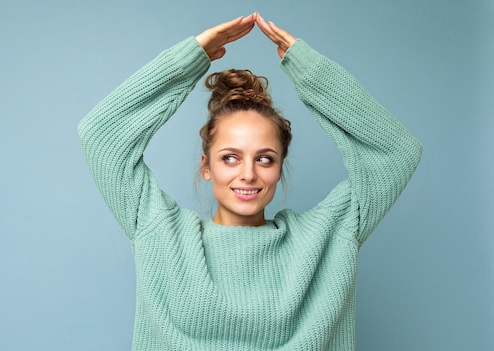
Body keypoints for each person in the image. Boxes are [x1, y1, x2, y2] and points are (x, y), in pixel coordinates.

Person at [78, 12, 421, 351]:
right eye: (230, 157)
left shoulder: (326, 237)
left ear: (280, 167)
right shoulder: (161, 232)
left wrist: (312, 73)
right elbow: (100, 136)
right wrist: (190, 61)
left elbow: (396, 155)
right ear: (206, 166)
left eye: (264, 158)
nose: (248, 174)